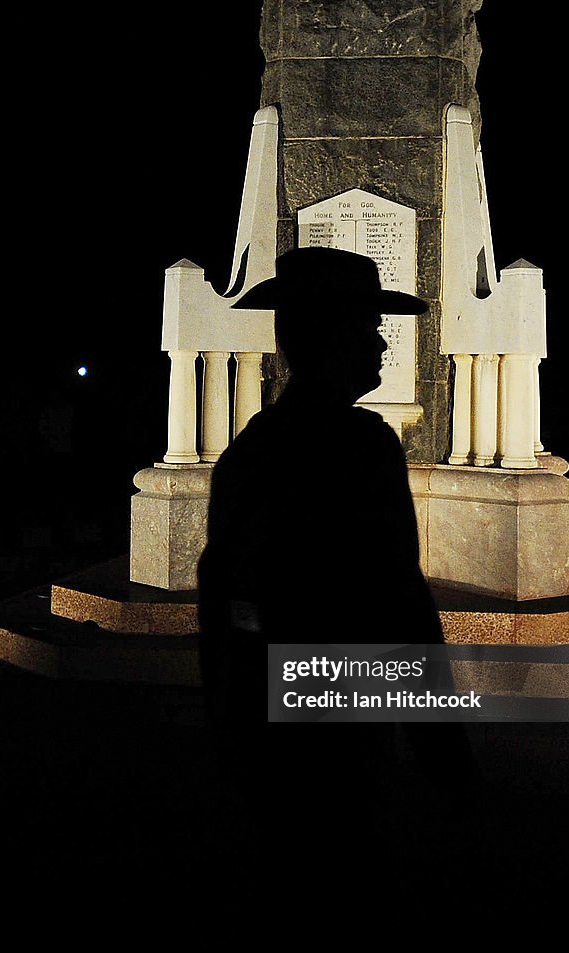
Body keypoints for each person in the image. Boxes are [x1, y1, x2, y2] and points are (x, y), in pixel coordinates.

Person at [198, 246, 475, 811]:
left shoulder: (249, 451)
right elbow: (401, 596)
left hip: (265, 717)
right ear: (331, 336)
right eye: (368, 326)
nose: (380, 342)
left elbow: (220, 598)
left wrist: (229, 719)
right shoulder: (362, 447)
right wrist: (439, 739)